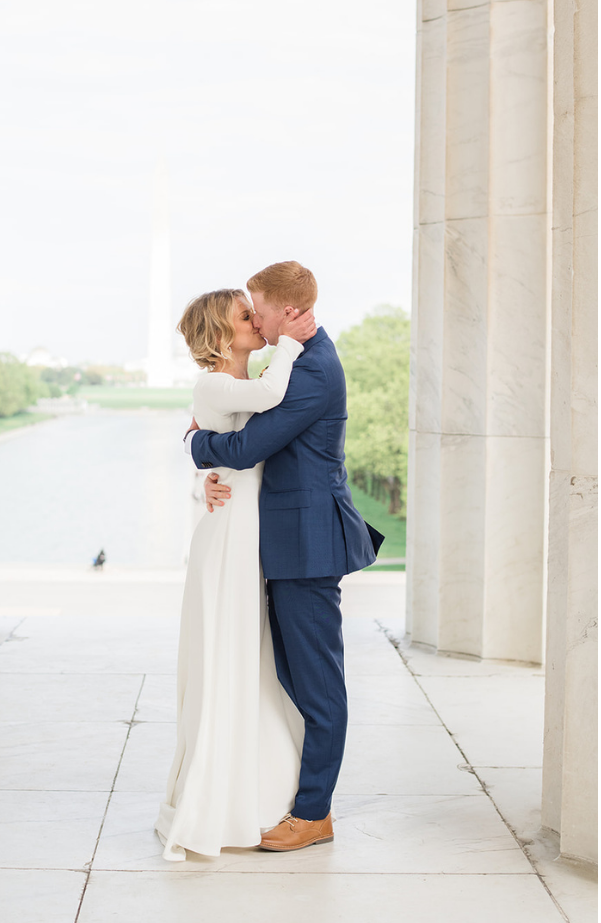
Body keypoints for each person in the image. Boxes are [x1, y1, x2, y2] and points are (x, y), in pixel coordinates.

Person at [188, 261, 384, 853]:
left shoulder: (311, 369)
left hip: (308, 544)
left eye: (257, 308)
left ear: (288, 311)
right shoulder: (288, 359)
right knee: (287, 675)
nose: (253, 317)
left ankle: (314, 813)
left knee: (317, 681)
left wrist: (199, 445)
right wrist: (205, 463)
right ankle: (285, 788)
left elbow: (247, 447)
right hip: (280, 542)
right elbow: (237, 412)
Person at [157, 287, 315, 860]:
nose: (256, 319)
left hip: (253, 525)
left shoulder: (245, 379)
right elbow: (247, 415)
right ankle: (223, 797)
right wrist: (293, 346)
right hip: (230, 536)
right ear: (222, 336)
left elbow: (208, 436)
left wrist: (204, 466)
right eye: (244, 316)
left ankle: (260, 784)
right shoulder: (224, 382)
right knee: (230, 651)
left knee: (256, 655)